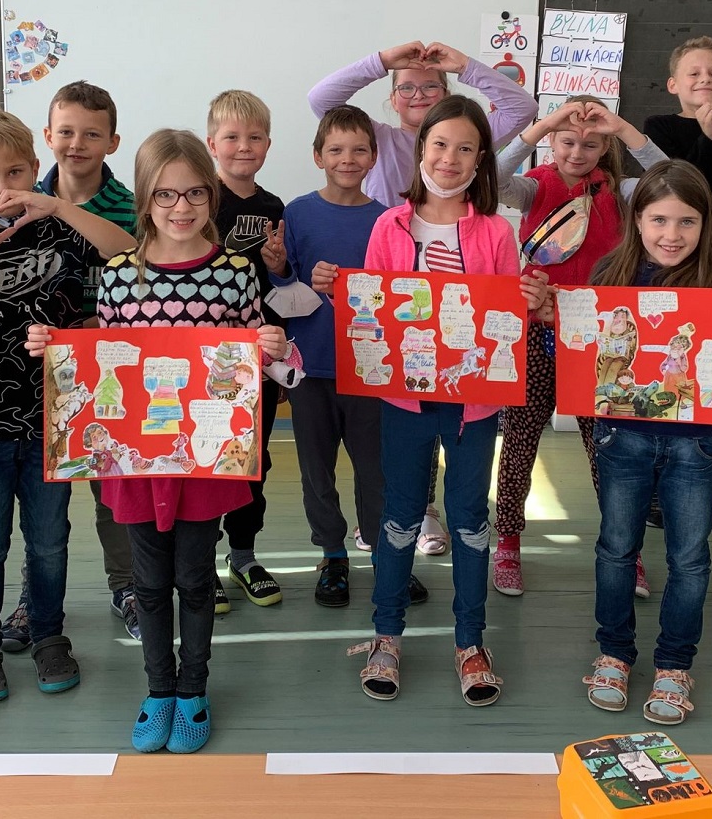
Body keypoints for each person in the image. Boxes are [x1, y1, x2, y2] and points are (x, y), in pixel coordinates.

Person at [26, 129, 299, 753]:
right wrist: (55, 347)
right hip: (136, 459)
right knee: (148, 583)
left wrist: (273, 348)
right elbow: (104, 356)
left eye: (196, 193)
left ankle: (193, 688)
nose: (181, 207)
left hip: (204, 458)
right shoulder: (118, 276)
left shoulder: (236, 273)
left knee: (196, 578)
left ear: (212, 197)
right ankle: (158, 689)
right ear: (145, 198)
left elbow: (258, 363)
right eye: (166, 195)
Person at [348, 95, 550, 708]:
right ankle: (387, 635)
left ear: (482, 158)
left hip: (474, 404)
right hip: (404, 400)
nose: (450, 158)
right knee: (400, 516)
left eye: (466, 148)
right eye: (440, 144)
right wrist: (346, 297)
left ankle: (470, 641)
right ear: (421, 149)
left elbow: (504, 322)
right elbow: (372, 314)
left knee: (468, 519)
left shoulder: (494, 231)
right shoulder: (389, 226)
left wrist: (528, 301)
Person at [574, 160, 712, 723]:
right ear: (637, 220)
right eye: (659, 220)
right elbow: (584, 355)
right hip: (623, 437)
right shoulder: (608, 275)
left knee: (689, 557)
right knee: (616, 547)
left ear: (705, 223)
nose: (672, 234)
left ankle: (673, 664)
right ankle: (614, 652)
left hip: (696, 444)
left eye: (686, 221)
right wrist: (559, 320)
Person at [311, 40, 537, 552]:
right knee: (400, 426)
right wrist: (384, 61)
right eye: (406, 87)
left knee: (454, 414)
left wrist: (463, 66)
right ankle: (399, 515)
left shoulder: (463, 137)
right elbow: (322, 100)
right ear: (391, 98)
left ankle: (429, 513)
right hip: (393, 282)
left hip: (459, 303)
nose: (418, 93)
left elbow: (521, 108)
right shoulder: (381, 138)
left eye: (430, 85)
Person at [0, 107, 135, 705]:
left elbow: (130, 252)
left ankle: (50, 635)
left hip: (57, 421)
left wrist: (57, 207)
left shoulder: (63, 232)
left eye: (15, 173)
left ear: (35, 168)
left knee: (50, 540)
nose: (2, 188)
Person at [490, 97, 666, 597]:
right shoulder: (534, 187)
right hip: (534, 329)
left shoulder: (622, 192)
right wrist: (544, 121)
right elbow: (492, 178)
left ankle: (624, 550)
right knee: (520, 440)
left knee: (607, 448)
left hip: (598, 338)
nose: (577, 152)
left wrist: (623, 126)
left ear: (605, 146)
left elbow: (669, 177)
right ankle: (508, 543)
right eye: (567, 140)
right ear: (552, 140)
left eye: (591, 143)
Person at [272, 105, 427, 609]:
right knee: (316, 471)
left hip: (371, 369)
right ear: (318, 156)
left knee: (376, 471)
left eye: (359, 149)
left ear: (374, 157)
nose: (347, 158)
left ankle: (386, 557)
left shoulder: (388, 219)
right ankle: (333, 555)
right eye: (336, 149)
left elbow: (401, 293)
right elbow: (281, 296)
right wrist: (288, 274)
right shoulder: (296, 213)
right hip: (310, 367)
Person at [2, 81, 139, 652]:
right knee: (43, 499)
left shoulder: (132, 205)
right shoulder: (16, 203)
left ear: (112, 141)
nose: (76, 143)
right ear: (47, 135)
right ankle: (34, 598)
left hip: (110, 370)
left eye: (91, 133)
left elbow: (138, 264)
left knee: (115, 487)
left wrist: (97, 325)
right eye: (66, 131)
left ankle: (128, 587)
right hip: (37, 372)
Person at [206, 89, 286, 610]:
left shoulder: (274, 207)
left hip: (259, 355)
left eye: (255, 137)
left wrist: (280, 266)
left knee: (252, 457)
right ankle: (200, 560)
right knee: (209, 454)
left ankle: (243, 554)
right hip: (207, 352)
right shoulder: (198, 199)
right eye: (231, 137)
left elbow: (280, 284)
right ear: (211, 143)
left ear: (268, 145)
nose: (243, 146)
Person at [643, 36, 712, 245]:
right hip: (670, 239)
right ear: (673, 84)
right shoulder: (658, 127)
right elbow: (680, 187)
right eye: (694, 74)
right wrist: (708, 137)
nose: (705, 79)